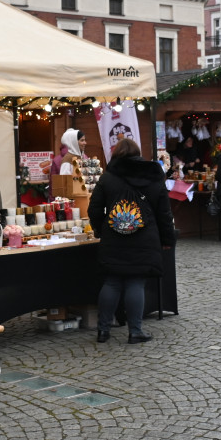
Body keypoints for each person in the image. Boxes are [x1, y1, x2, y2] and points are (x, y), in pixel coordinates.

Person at [87, 138, 174, 345]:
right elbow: (164, 213)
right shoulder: (154, 176)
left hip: (114, 237)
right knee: (136, 281)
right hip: (144, 238)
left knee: (112, 282)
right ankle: (135, 331)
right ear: (138, 154)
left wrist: (100, 229)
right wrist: (167, 238)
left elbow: (94, 209)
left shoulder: (108, 177)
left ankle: (103, 330)